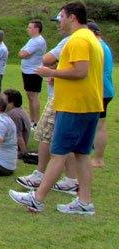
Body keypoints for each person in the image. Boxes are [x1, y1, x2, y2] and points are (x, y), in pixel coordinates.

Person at [9, 1, 103, 215]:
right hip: (88, 105)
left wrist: (51, 73)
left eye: (61, 16)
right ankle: (84, 202)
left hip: (74, 106)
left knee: (58, 152)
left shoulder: (78, 40)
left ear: (72, 17)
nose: (59, 21)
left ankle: (37, 198)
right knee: (82, 154)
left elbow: (80, 71)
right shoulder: (90, 38)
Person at [14, 21, 80, 193]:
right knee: (63, 139)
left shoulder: (72, 40)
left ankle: (42, 176)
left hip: (62, 98)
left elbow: (47, 59)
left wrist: (52, 70)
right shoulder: (79, 40)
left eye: (60, 20)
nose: (58, 25)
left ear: (72, 18)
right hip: (63, 95)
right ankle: (69, 179)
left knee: (46, 135)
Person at [87, 22, 113, 168]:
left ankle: (98, 159)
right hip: (104, 89)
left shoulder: (98, 47)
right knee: (97, 124)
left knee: (100, 125)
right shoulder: (103, 46)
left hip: (100, 90)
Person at [18, 20, 46, 123]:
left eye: (30, 27)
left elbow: (23, 54)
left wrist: (25, 54)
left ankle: (36, 121)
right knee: (29, 95)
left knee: (34, 96)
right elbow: (21, 52)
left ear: (36, 29)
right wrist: (24, 54)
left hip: (34, 71)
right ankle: (31, 119)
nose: (28, 29)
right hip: (27, 71)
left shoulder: (38, 41)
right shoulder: (32, 40)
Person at [4, 88, 31, 154]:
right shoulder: (18, 109)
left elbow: (18, 136)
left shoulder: (14, 115)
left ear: (11, 104)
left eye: (4, 101)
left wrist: (24, 153)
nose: (1, 102)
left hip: (12, 145)